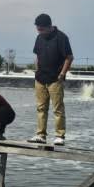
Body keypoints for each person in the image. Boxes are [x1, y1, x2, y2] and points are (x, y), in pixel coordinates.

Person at [27, 13, 74, 146]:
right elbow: (37, 55)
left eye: (41, 29)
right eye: (38, 29)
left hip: (55, 79)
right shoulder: (39, 38)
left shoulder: (61, 37)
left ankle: (60, 135)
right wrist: (37, 70)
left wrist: (62, 74)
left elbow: (69, 57)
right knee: (41, 108)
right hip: (40, 78)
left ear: (49, 27)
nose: (39, 32)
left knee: (57, 108)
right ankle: (40, 135)